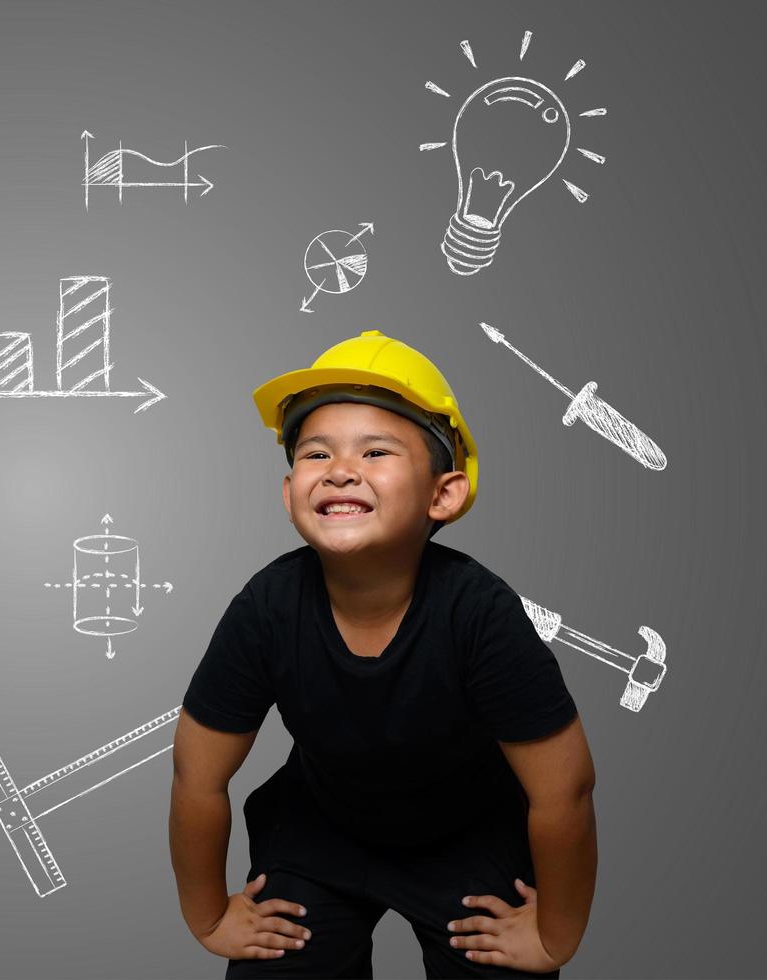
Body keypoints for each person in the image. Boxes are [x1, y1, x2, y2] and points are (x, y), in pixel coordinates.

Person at [169, 330, 597, 978]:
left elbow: (566, 788)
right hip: (320, 828)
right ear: (290, 496)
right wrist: (207, 915)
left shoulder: (479, 615)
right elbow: (197, 775)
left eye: (374, 450)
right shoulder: (267, 609)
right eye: (317, 453)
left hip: (466, 835)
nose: (341, 469)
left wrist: (555, 934)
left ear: (443, 494)